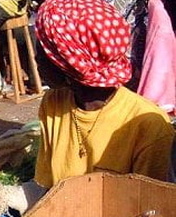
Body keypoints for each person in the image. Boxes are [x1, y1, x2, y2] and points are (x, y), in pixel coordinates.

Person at [33, 0, 175, 189]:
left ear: (67, 64)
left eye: (43, 54)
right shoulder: (53, 103)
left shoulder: (149, 126)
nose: (35, 60)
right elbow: (47, 186)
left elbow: (147, 210)